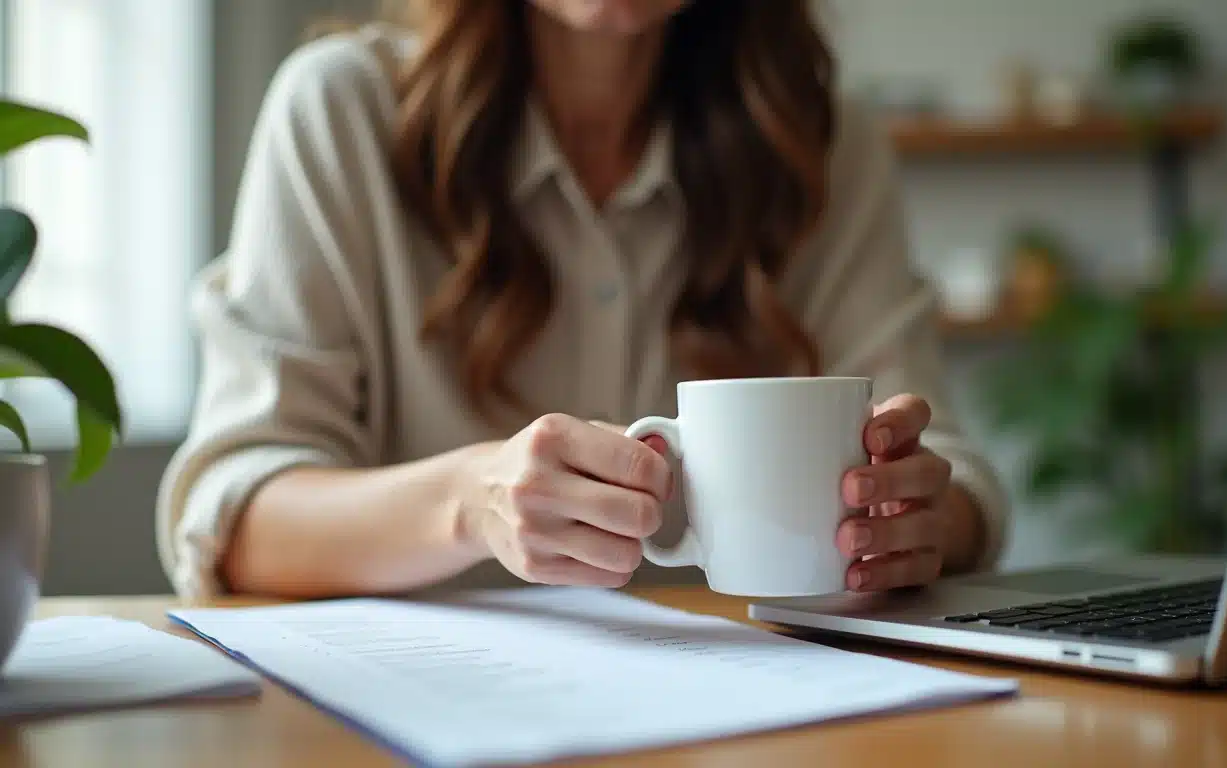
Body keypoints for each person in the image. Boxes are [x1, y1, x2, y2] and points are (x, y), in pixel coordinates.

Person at [157, 0, 1008, 600]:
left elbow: (953, 473)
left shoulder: (822, 144)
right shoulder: (341, 111)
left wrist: (925, 520)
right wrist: (470, 499)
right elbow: (233, 520)